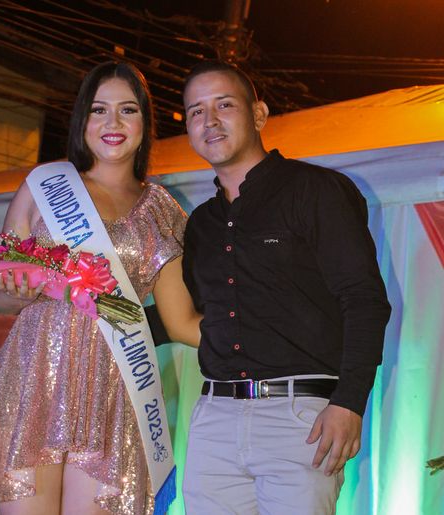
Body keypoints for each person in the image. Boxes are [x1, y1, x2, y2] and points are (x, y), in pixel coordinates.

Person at [0, 61, 200, 515]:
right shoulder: (44, 186)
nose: (113, 123)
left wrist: (267, 333)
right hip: (34, 379)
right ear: (81, 120)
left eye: (128, 110)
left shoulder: (162, 210)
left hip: (114, 387)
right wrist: (15, 291)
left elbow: (180, 320)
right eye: (98, 110)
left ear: (146, 123)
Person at [180, 60, 391, 514]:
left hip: (301, 419)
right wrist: (86, 306)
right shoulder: (200, 225)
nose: (209, 120)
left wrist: (349, 403)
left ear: (258, 114)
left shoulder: (317, 191)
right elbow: (204, 316)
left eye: (224, 105)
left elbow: (364, 300)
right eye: (196, 111)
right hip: (214, 419)